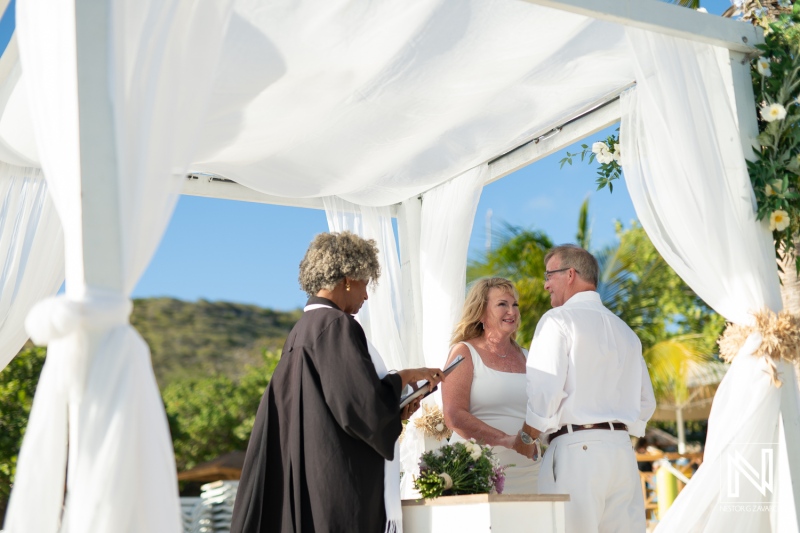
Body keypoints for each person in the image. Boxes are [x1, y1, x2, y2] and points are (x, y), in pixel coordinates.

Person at [230, 231, 444, 533]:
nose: (366, 296)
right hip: (338, 488)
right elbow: (364, 409)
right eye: (365, 284)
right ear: (347, 277)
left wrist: (395, 410)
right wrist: (405, 377)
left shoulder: (301, 331)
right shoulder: (336, 327)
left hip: (312, 481)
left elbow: (335, 406)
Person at [513, 244, 656, 532]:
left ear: (570, 274)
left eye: (549, 275)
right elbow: (645, 402)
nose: (545, 284)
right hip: (622, 455)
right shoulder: (625, 331)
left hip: (577, 452)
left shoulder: (558, 320)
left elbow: (546, 390)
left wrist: (527, 438)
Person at [442, 277, 541, 494]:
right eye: (502, 304)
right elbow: (453, 414)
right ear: (480, 313)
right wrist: (506, 440)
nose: (512, 311)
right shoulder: (464, 352)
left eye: (514, 304)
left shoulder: (528, 357)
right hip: (478, 471)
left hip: (531, 473)